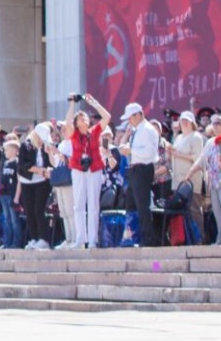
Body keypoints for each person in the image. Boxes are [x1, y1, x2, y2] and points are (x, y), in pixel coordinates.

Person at [64, 94, 111, 249]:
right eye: (80, 118)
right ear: (77, 123)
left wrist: (94, 103)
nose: (83, 119)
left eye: (85, 117)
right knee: (78, 204)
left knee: (93, 204)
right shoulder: (74, 135)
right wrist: (72, 104)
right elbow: (67, 123)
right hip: (78, 168)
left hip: (94, 167)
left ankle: (92, 240)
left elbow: (107, 117)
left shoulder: (95, 131)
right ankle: (80, 239)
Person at [183, 116, 221, 246]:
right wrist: (190, 172)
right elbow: (202, 159)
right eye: (215, 123)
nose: (216, 126)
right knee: (217, 211)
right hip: (213, 182)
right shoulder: (210, 142)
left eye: (220, 123)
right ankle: (220, 237)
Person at [119, 103, 161, 247]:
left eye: (130, 117)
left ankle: (148, 238)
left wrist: (131, 151)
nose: (129, 121)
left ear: (138, 115)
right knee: (133, 204)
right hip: (135, 169)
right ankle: (134, 236)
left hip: (143, 168)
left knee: (143, 205)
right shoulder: (138, 130)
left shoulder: (148, 130)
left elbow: (149, 153)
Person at [170, 111, 207, 243]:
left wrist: (178, 154)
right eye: (182, 120)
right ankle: (186, 238)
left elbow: (197, 158)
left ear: (192, 122)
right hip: (178, 181)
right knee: (181, 212)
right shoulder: (178, 138)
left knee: (194, 210)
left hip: (191, 180)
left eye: (187, 120)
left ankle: (199, 238)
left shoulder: (196, 137)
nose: (184, 123)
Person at [18, 123, 53, 249]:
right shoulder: (26, 146)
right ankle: (34, 238)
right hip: (28, 182)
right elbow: (22, 166)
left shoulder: (46, 146)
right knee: (29, 211)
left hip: (43, 183)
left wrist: (49, 153)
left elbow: (51, 163)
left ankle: (44, 239)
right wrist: (39, 170)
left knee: (39, 210)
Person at [0, 138, 21, 248]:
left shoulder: (17, 163)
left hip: (12, 195)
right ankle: (7, 242)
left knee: (14, 220)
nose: (5, 152)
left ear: (14, 150)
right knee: (6, 219)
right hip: (4, 194)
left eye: (7, 150)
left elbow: (19, 181)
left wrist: (17, 197)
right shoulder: (5, 163)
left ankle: (16, 243)